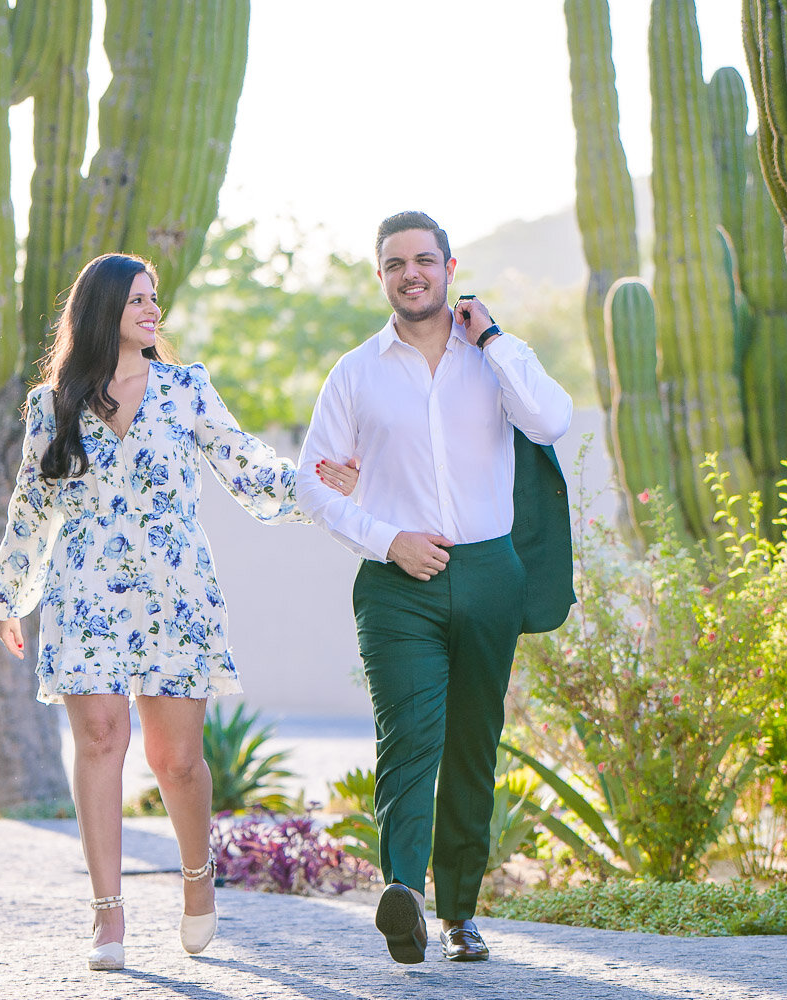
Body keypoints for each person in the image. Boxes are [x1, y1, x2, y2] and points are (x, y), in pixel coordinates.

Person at [0, 253, 355, 973]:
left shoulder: (187, 389)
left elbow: (247, 467)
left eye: (155, 300)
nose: (153, 311)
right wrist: (10, 594)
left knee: (175, 760)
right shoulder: (51, 404)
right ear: (102, 312)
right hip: (83, 589)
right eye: (137, 301)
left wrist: (322, 486)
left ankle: (197, 880)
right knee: (98, 738)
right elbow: (31, 505)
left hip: (174, 592)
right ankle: (107, 915)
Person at [297, 211, 574, 964]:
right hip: (396, 583)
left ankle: (460, 912)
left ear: (450, 269)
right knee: (409, 737)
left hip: (491, 574)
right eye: (395, 263)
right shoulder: (356, 371)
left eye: (424, 260)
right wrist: (391, 539)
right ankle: (404, 896)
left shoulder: (494, 359)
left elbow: (551, 419)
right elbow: (313, 486)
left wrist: (492, 338)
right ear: (381, 277)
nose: (411, 273)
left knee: (473, 746)